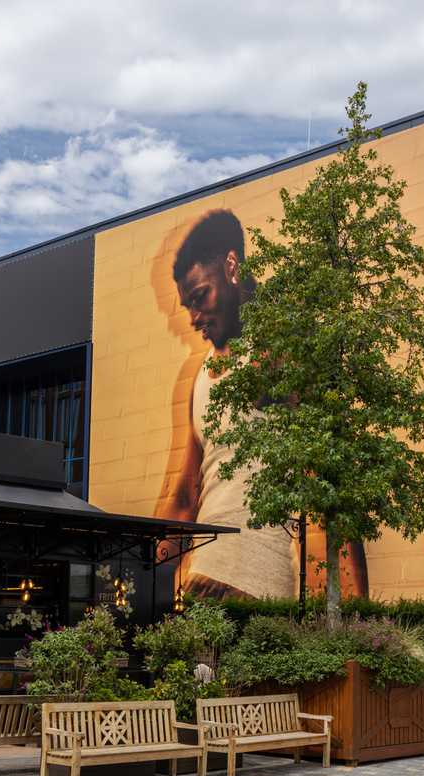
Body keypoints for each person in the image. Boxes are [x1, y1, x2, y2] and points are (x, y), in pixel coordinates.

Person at [155, 208, 367, 600]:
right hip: (200, 581)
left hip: (254, 589)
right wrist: (132, 574)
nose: (193, 318)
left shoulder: (279, 351)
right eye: (187, 306)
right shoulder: (200, 379)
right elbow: (186, 500)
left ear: (231, 266)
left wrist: (356, 614)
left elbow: (332, 482)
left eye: (200, 297)